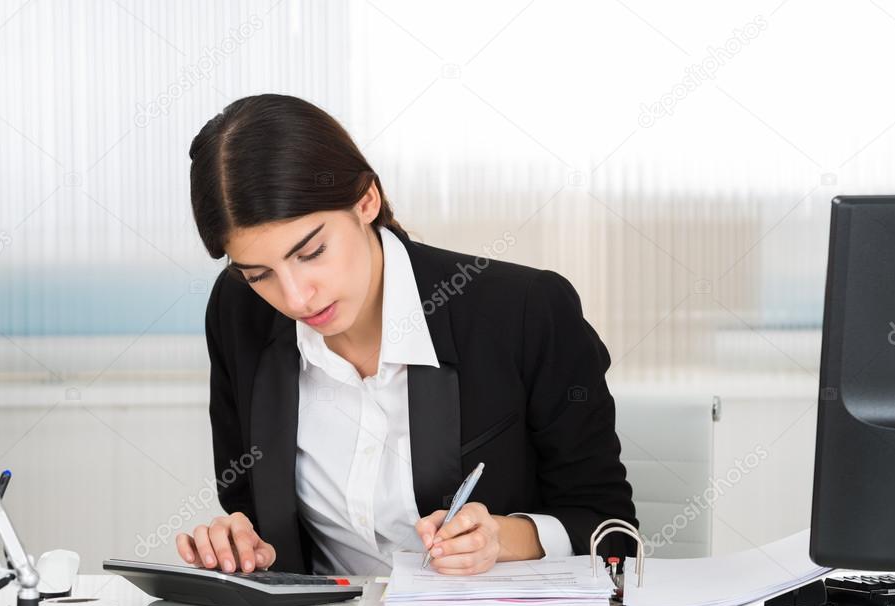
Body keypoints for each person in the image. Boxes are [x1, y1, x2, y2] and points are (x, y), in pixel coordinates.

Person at [176, 94, 637, 577]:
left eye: (311, 252)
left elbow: (613, 531)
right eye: (258, 274)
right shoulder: (238, 312)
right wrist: (241, 543)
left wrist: (503, 538)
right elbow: (247, 502)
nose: (295, 298)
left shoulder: (525, 311)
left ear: (366, 201)